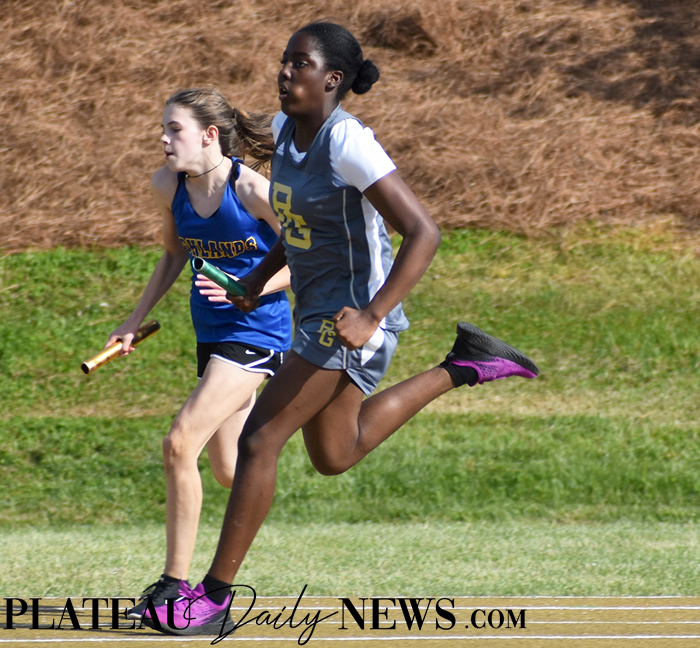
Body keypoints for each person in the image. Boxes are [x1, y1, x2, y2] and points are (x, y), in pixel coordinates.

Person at [143, 22, 538, 636]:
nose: (284, 71)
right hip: (316, 313)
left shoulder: (349, 142)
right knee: (335, 454)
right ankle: (464, 364)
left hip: (351, 319)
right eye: (284, 60)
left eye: (299, 63)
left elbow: (424, 232)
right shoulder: (285, 133)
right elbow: (297, 228)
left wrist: (372, 315)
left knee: (259, 440)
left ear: (331, 79)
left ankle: (213, 599)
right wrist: (256, 282)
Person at [105, 87, 292, 619]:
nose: (163, 139)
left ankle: (174, 587)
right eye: (162, 129)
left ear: (210, 135)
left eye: (175, 130)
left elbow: (307, 259)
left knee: (179, 443)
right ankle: (282, 423)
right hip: (211, 336)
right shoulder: (168, 186)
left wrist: (253, 289)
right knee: (232, 470)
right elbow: (173, 253)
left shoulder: (252, 189)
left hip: (257, 333)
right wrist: (133, 319)